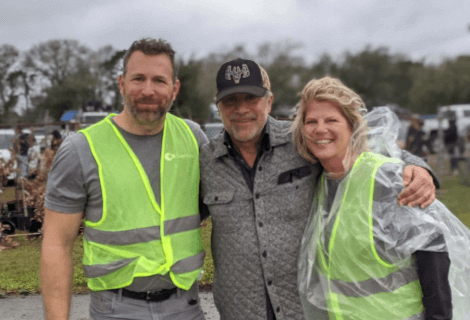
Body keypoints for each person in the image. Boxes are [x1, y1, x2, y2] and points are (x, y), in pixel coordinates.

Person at [199, 58, 438, 320]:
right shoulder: (204, 162)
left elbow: (357, 146)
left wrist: (417, 167)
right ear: (218, 107)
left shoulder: (300, 140)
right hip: (240, 313)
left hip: (305, 311)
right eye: (231, 101)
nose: (241, 109)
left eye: (250, 98)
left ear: (268, 102)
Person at [41, 38, 208, 320]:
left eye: (159, 80)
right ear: (121, 83)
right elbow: (56, 243)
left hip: (186, 306)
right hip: (117, 309)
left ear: (175, 88)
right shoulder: (82, 150)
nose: (148, 90)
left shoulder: (193, 139)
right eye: (138, 78)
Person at [293, 76, 470, 320]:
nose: (320, 129)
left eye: (331, 119)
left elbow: (432, 253)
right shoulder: (320, 183)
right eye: (311, 121)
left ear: (352, 126)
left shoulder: (386, 178)